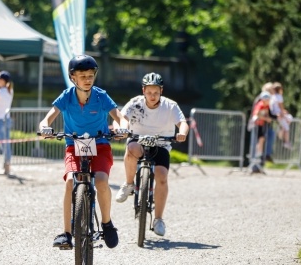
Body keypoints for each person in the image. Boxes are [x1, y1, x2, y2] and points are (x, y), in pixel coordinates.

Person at [39, 55, 129, 250]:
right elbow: (48, 117)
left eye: (90, 75)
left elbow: (120, 117)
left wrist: (123, 127)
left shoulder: (101, 96)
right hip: (74, 145)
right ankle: (66, 233)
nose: (87, 79)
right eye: (82, 76)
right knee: (71, 181)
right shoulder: (66, 96)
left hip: (100, 145)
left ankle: (106, 224)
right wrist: (45, 127)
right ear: (73, 77)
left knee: (102, 181)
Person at [114, 72, 189, 237]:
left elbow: (182, 123)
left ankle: (158, 219)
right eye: (149, 92)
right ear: (143, 90)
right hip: (138, 141)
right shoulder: (135, 103)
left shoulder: (170, 105)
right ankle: (128, 184)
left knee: (162, 176)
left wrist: (182, 133)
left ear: (161, 91)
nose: (152, 96)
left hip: (161, 144)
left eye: (156, 92)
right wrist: (121, 127)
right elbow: (122, 117)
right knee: (131, 149)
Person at [250, 90, 272, 160]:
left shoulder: (266, 105)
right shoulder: (260, 105)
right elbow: (256, 115)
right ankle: (257, 153)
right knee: (259, 139)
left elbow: (266, 113)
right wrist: (266, 119)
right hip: (256, 125)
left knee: (262, 138)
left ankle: (259, 152)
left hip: (261, 124)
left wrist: (267, 118)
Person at [272, 82, 292, 149]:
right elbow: (281, 107)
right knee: (287, 127)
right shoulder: (279, 96)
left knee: (284, 126)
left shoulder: (272, 97)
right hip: (279, 114)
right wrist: (283, 114)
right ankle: (286, 142)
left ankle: (281, 134)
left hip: (275, 114)